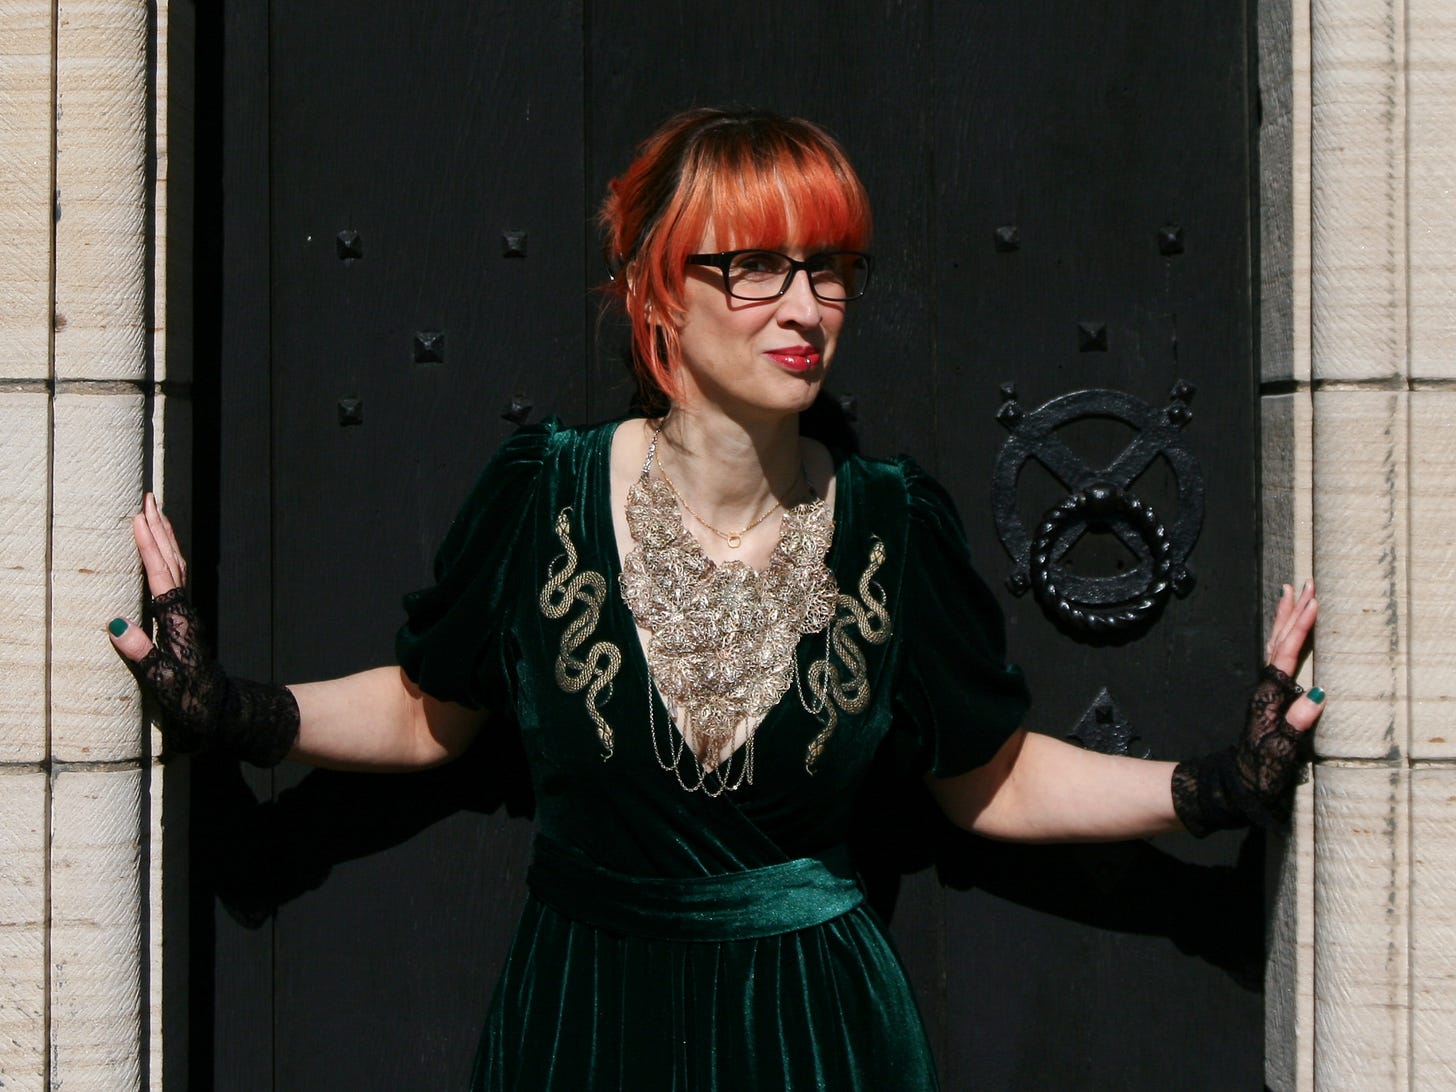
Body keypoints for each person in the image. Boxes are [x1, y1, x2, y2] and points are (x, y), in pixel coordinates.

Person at [106, 107, 1323, 1090]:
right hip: (584, 1022)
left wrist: (1219, 784)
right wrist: (233, 712)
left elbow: (990, 777)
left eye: (829, 268)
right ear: (657, 296)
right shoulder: (545, 496)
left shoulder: (894, 525)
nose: (804, 307)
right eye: (752, 268)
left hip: (815, 1033)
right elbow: (432, 712)